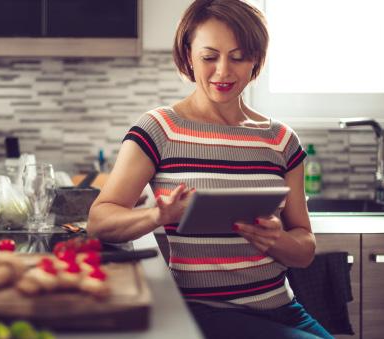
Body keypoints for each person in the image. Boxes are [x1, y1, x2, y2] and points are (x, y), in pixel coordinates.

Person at [87, 1, 333, 338]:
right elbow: (99, 220)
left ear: (256, 59)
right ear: (188, 55)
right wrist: (158, 216)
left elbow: (304, 249)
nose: (223, 72)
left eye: (238, 56)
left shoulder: (281, 140)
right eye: (209, 57)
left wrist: (275, 240)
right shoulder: (159, 129)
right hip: (207, 315)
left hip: (285, 309)